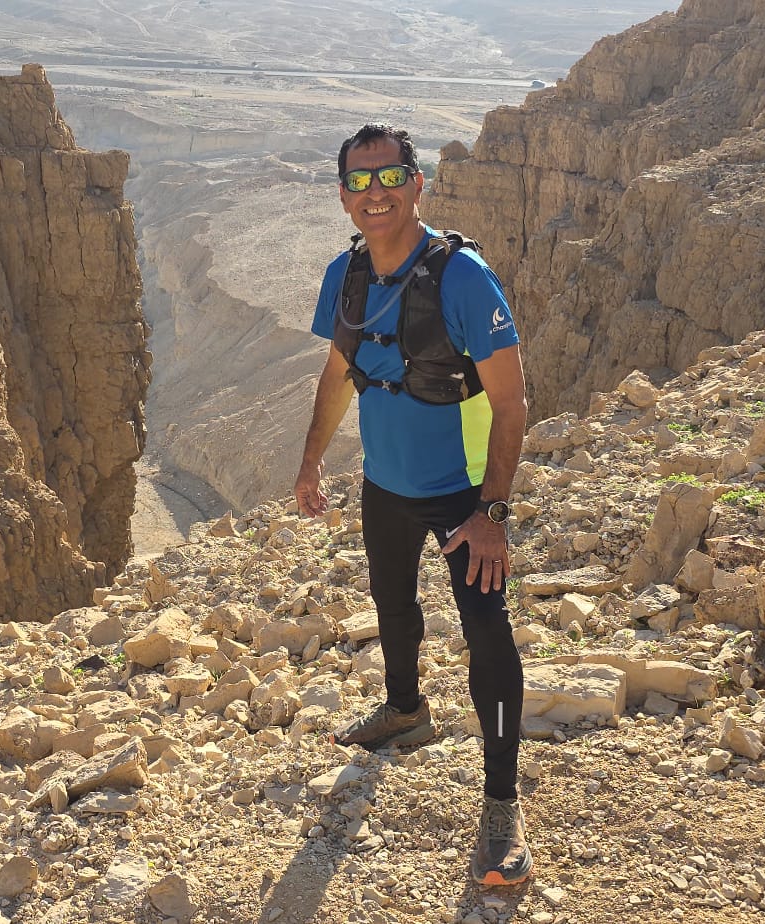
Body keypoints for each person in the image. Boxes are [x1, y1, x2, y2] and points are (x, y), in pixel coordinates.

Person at [294, 123, 531, 887]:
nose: (376, 193)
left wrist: (492, 514)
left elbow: (512, 402)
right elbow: (339, 372)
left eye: (390, 177)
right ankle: (405, 712)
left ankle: (502, 806)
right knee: (392, 605)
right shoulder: (347, 274)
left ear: (417, 184)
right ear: (342, 196)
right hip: (385, 486)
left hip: (464, 495)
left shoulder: (464, 278)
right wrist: (311, 460)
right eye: (360, 181)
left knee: (488, 638)